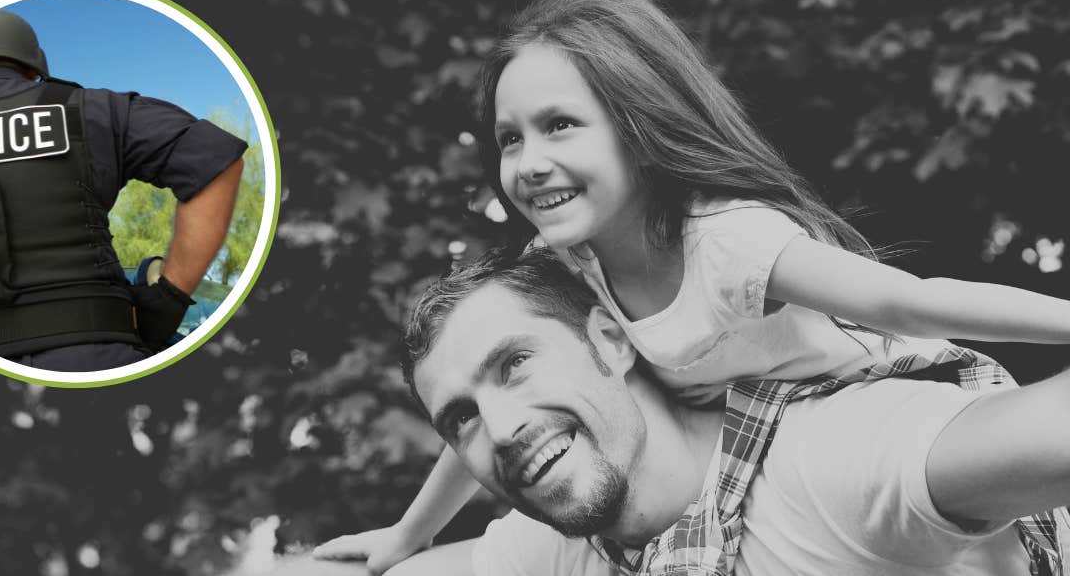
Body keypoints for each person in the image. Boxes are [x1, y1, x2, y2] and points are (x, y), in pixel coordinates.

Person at [313, 0, 1070, 573]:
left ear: (637, 129)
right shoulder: (567, 267)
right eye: (509, 139)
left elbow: (909, 298)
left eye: (560, 125)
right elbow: (485, 413)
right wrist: (404, 535)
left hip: (857, 390)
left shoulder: (729, 244)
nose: (528, 161)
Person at [398, 247, 1068, 575]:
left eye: (515, 362)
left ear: (610, 339)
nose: (502, 426)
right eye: (460, 417)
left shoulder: (826, 463)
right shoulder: (566, 545)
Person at [0, 9, 246, 371]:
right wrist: (168, 299)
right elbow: (215, 161)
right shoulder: (92, 110)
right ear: (33, 68)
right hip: (98, 359)